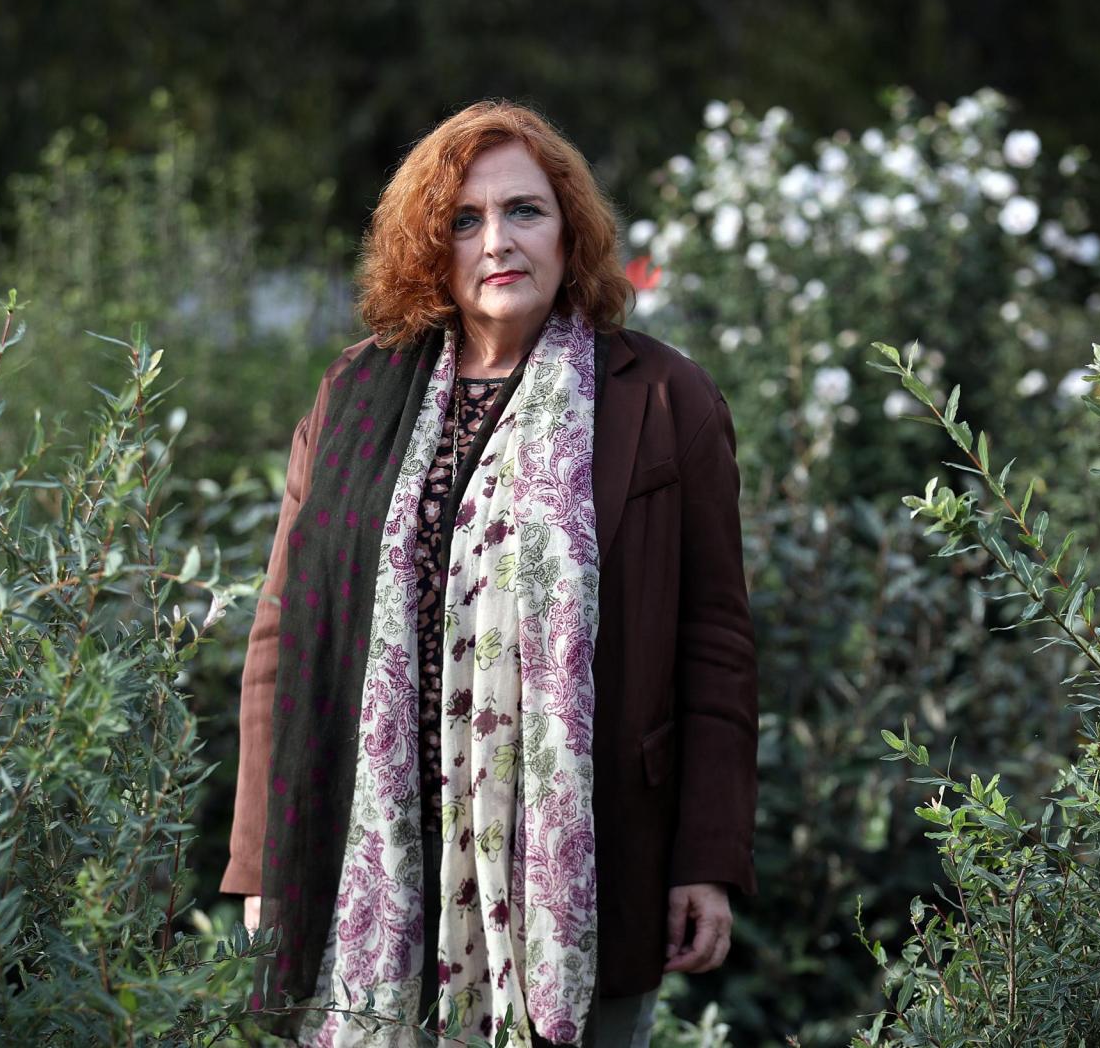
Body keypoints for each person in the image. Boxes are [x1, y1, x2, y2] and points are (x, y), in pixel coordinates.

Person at [221, 100, 757, 1048]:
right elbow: (282, 633)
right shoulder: (353, 396)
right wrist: (266, 862)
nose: (497, 241)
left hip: (586, 868)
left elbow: (714, 643)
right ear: (430, 244)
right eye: (465, 220)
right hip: (373, 859)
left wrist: (705, 860)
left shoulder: (665, 399)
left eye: (525, 212)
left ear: (571, 231)